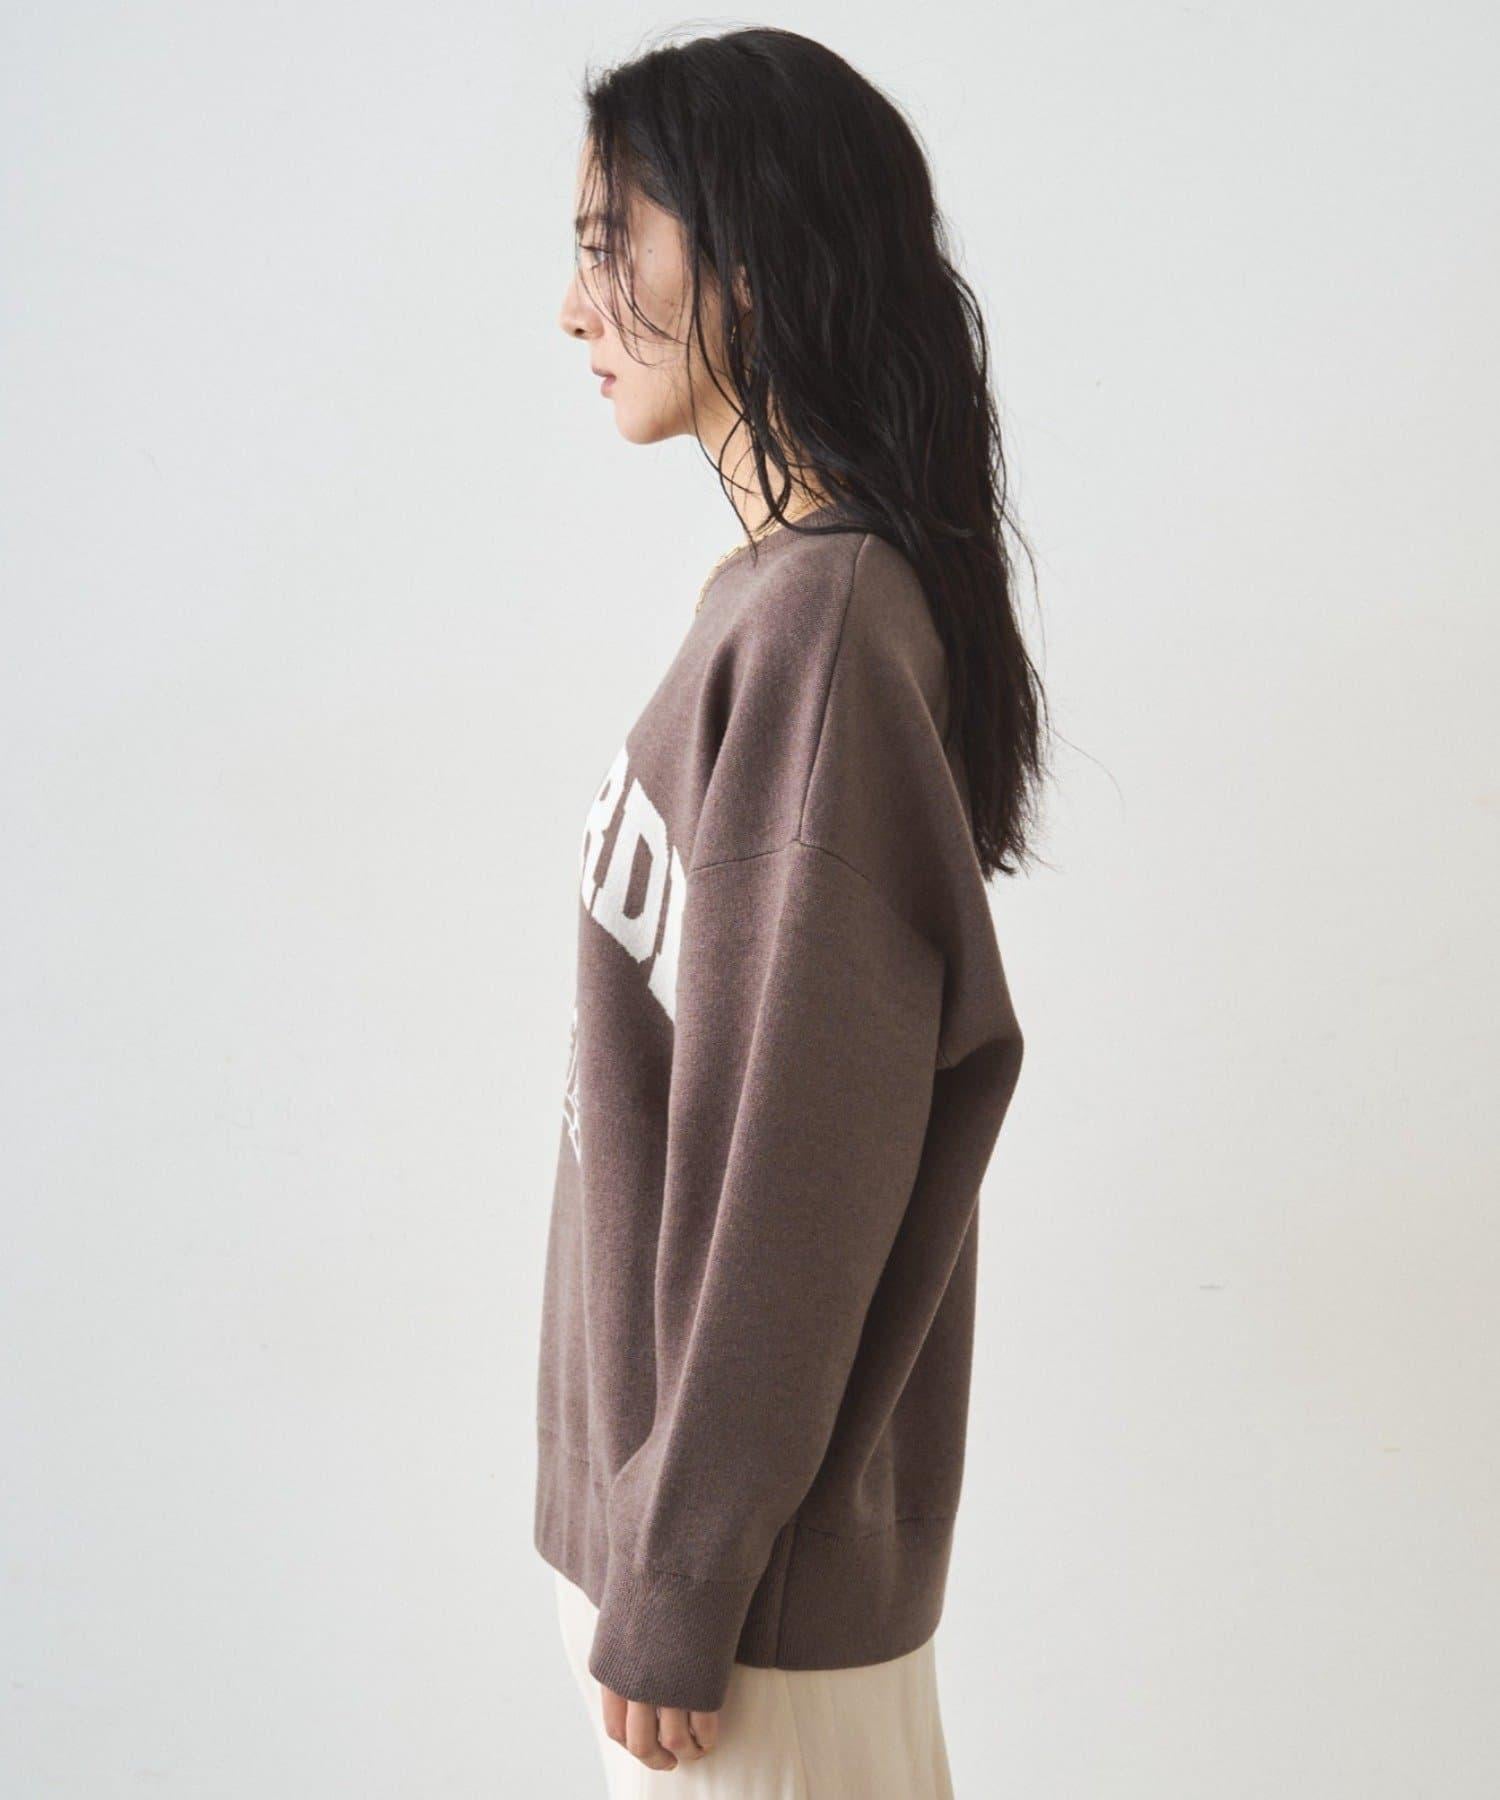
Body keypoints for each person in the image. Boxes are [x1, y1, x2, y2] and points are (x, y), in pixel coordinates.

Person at [539, 24, 1049, 1795]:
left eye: (609, 243)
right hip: (685, 1569)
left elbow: (797, 1152)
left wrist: (684, 1571)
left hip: (735, 1617)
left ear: (746, 265)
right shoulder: (775, 603)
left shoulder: (820, 634)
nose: (572, 306)